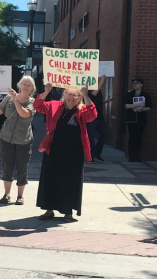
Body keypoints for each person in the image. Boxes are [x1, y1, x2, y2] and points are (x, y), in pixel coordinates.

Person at [34, 83, 97, 222]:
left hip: (74, 152)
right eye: (69, 93)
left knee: (70, 180)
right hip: (54, 149)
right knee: (50, 178)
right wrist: (46, 92)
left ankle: (68, 212)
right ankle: (49, 209)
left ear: (79, 97)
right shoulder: (54, 105)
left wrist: (86, 95)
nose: (71, 97)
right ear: (64, 94)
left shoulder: (81, 109)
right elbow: (37, 106)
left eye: (75, 94)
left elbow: (92, 115)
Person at [0, 76, 36, 205]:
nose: (26, 86)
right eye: (24, 83)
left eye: (29, 85)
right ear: (19, 85)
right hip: (6, 137)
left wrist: (15, 99)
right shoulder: (8, 98)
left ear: (32, 88)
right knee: (7, 166)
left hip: (23, 139)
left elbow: (24, 113)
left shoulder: (33, 102)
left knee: (22, 167)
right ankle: (7, 194)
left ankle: (20, 196)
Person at [124, 78, 152, 162]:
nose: (134, 85)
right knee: (131, 138)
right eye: (133, 83)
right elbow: (126, 106)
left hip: (141, 119)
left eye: (136, 83)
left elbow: (149, 107)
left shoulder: (145, 95)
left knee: (139, 138)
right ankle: (131, 157)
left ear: (141, 85)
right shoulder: (130, 94)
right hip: (131, 119)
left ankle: (137, 157)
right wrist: (137, 105)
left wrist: (141, 109)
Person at [87, 75, 108, 163]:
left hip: (99, 116)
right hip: (91, 117)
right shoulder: (88, 90)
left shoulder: (98, 91)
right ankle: (91, 156)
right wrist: (102, 80)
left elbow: (97, 101)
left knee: (104, 134)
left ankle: (96, 153)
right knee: (91, 137)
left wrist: (107, 102)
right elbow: (94, 94)